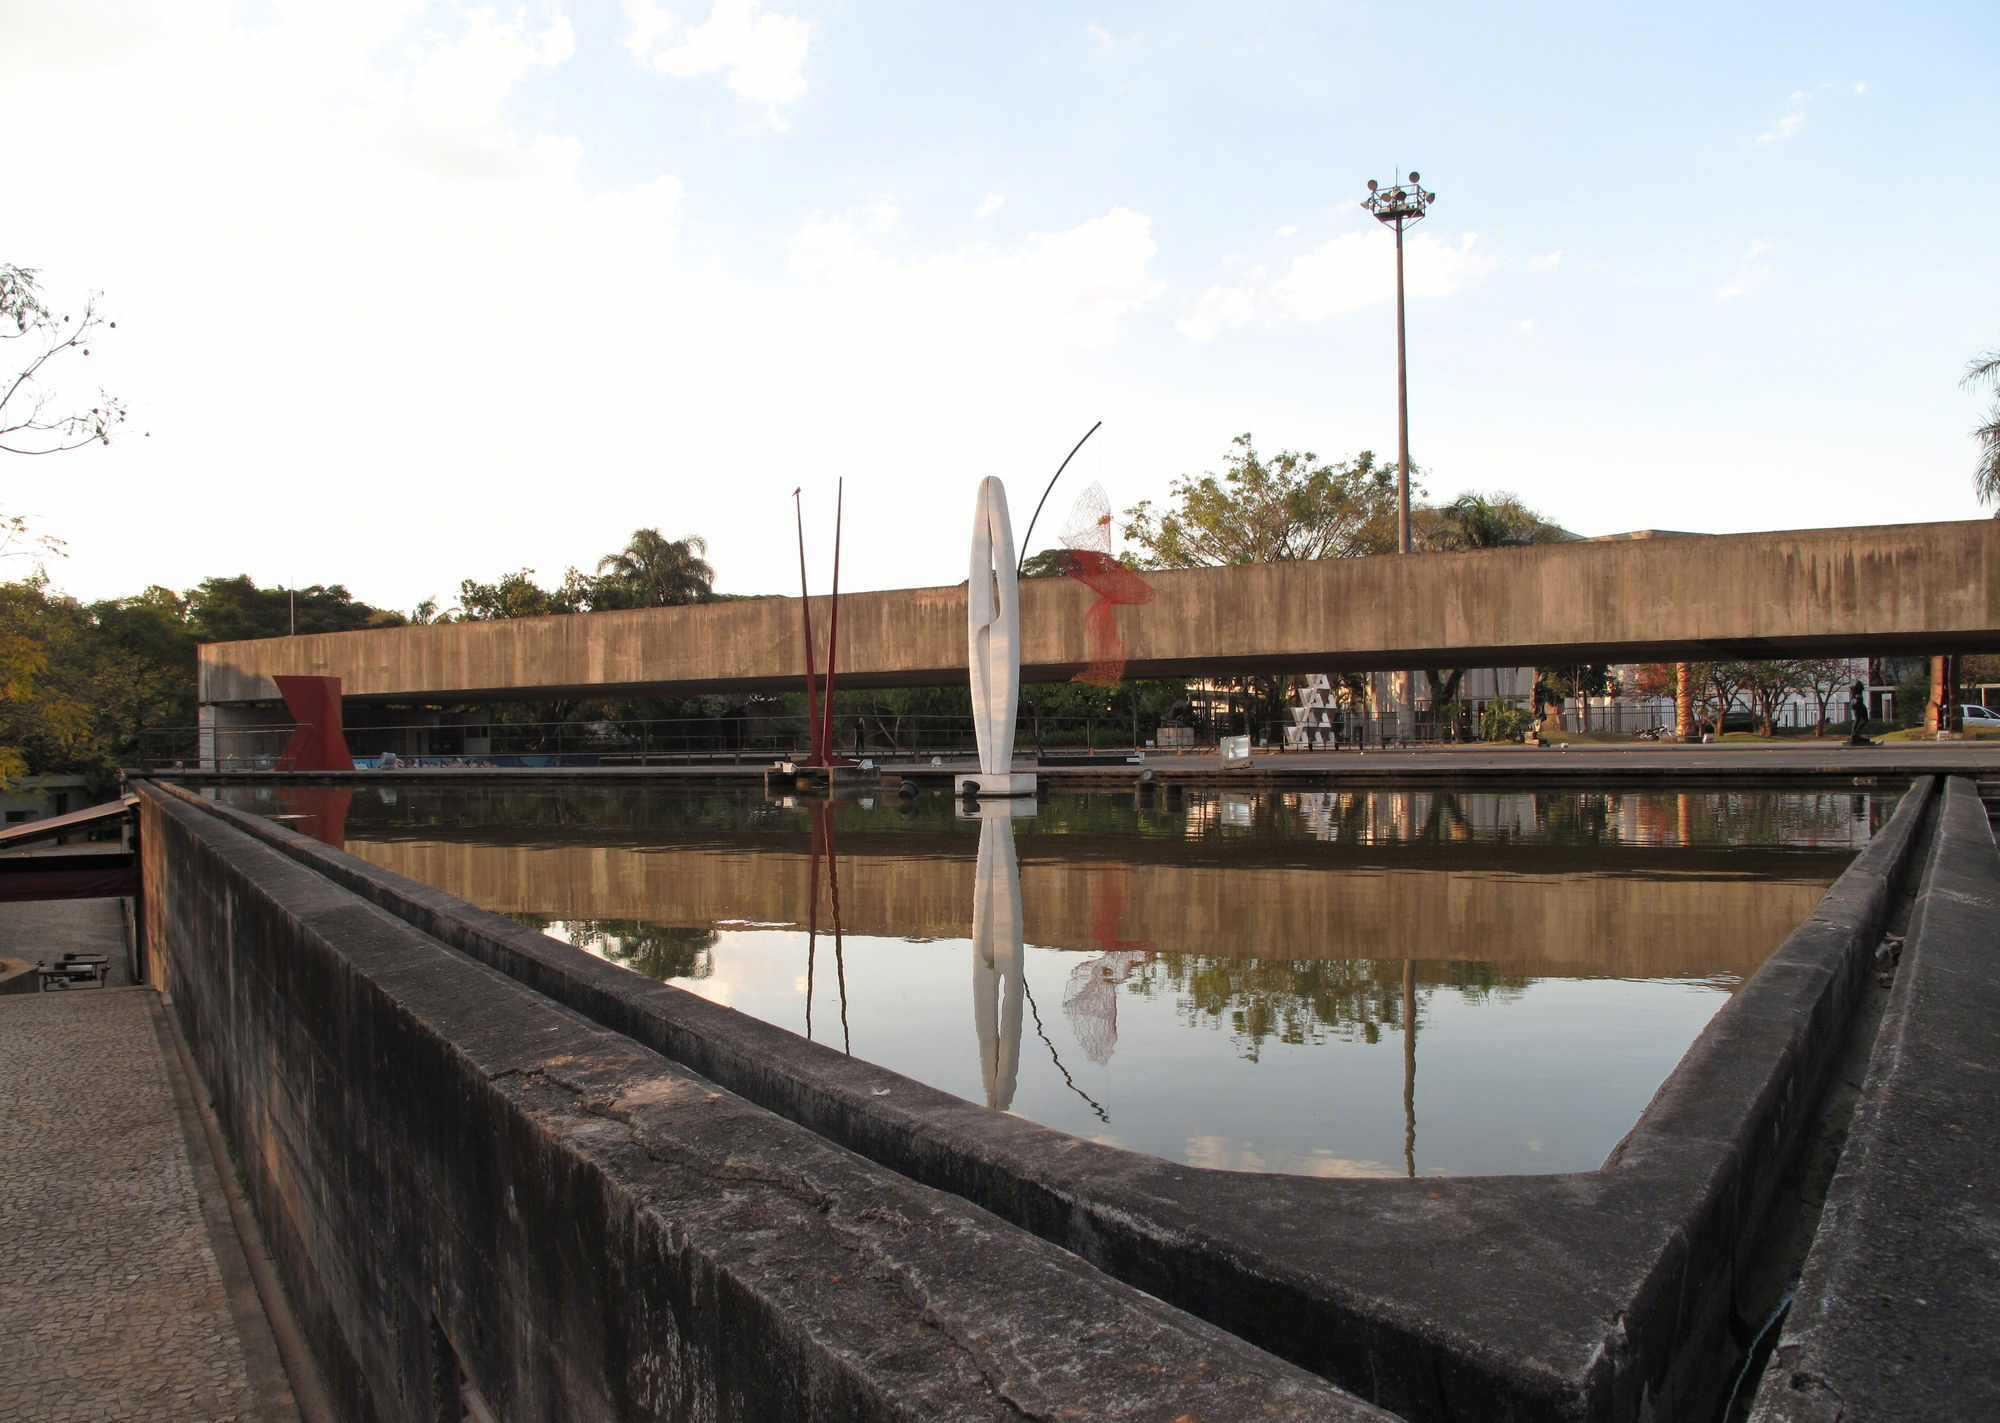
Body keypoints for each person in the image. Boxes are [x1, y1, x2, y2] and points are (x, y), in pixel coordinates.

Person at [1847, 680, 1869, 745]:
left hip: (1858, 707)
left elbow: (1854, 703)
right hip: (1859, 708)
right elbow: (1857, 702)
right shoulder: (1858, 696)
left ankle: (1854, 734)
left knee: (1859, 720)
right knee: (1862, 720)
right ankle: (1855, 734)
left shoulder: (1854, 696)